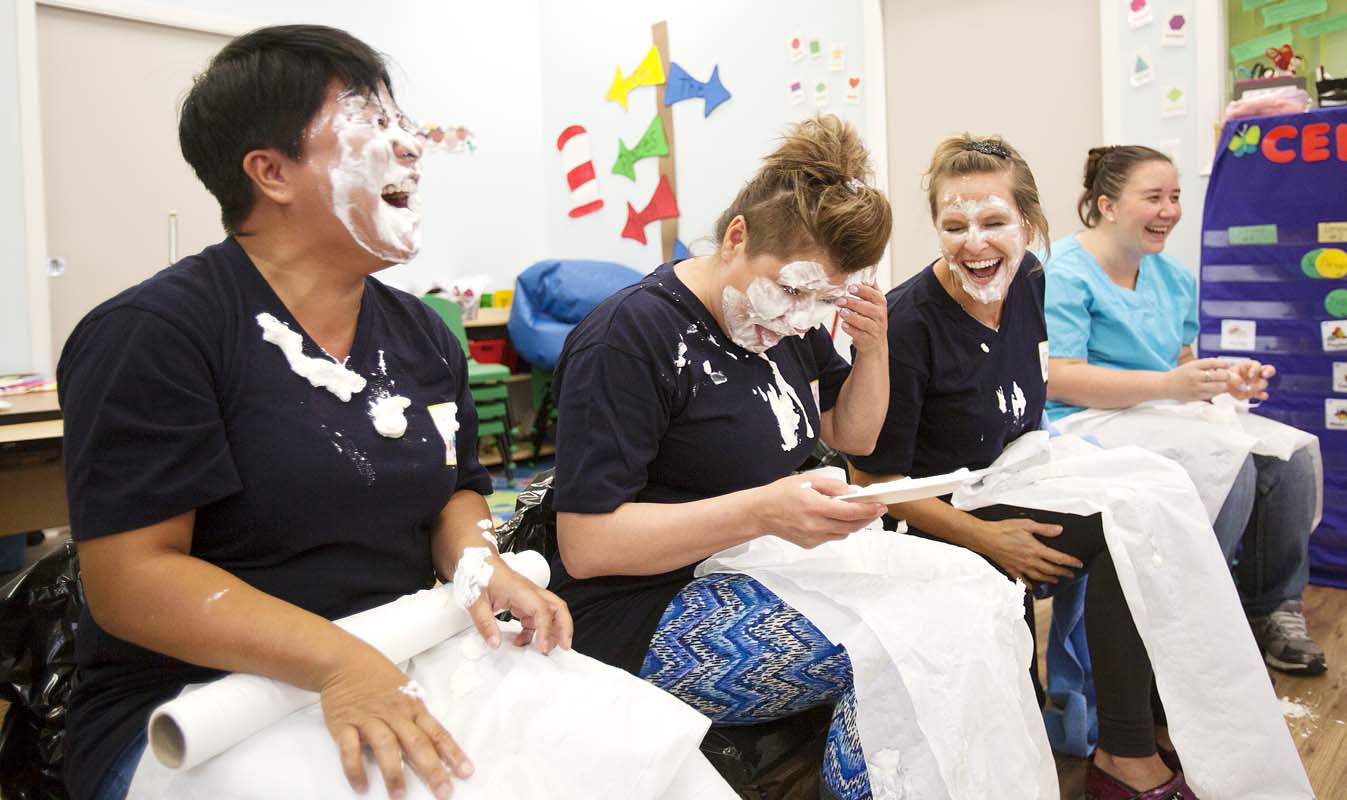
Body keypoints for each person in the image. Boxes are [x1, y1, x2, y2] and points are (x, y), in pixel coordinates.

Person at [57, 25, 570, 800]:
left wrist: (478, 563)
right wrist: (336, 662)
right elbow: (131, 581)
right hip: (206, 702)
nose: (410, 146)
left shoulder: (423, 333)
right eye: (370, 122)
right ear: (270, 172)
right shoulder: (155, 334)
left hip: (400, 653)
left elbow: (457, 492)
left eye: (403, 121)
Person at [550, 115, 892, 798]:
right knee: (889, 651)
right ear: (735, 236)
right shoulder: (629, 337)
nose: (799, 317)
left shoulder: (779, 324)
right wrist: (762, 511)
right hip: (634, 608)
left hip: (747, 567)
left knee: (963, 603)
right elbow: (586, 545)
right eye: (793, 289)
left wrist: (875, 346)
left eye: (819, 299)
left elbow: (852, 435)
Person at [847, 135, 1197, 798]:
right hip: (931, 519)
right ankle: (1122, 753)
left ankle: (1134, 730)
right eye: (954, 226)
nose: (972, 243)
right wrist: (986, 538)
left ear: (1028, 227)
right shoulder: (909, 324)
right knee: (1125, 534)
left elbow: (1025, 406)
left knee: (1154, 510)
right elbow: (872, 488)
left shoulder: (1032, 279)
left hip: (1006, 481)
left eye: (992, 223)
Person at [1044, 145, 1324, 675]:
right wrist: (1172, 385)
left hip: (1160, 409)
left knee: (1292, 457)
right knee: (1230, 467)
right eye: (1153, 197)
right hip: (1083, 419)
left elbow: (1181, 360)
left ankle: (1270, 612)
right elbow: (1060, 375)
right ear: (1107, 205)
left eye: (1174, 196)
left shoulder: (1172, 278)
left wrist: (1224, 381)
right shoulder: (1064, 272)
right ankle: (1192, 621)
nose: (1170, 210)